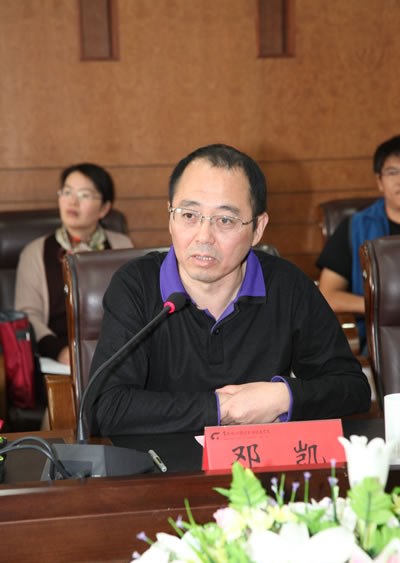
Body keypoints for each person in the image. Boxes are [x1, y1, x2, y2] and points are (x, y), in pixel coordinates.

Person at [88, 144, 370, 437]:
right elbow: (106, 408)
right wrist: (224, 409)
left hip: (260, 462)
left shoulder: (287, 285)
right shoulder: (136, 285)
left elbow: (353, 388)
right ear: (170, 216)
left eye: (225, 220)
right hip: (160, 463)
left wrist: (282, 397)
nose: (204, 236)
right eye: (189, 215)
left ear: (258, 228)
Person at [15, 162, 133, 366]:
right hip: (57, 357)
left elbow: (133, 306)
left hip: (114, 354)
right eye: (67, 192)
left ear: (104, 208)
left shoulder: (122, 246)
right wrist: (60, 352)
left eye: (84, 195)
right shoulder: (35, 252)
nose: (72, 201)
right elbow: (28, 315)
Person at [317, 135, 400, 351]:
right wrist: (384, 308)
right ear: (379, 181)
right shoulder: (355, 227)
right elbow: (328, 294)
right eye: (393, 172)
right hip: (380, 343)